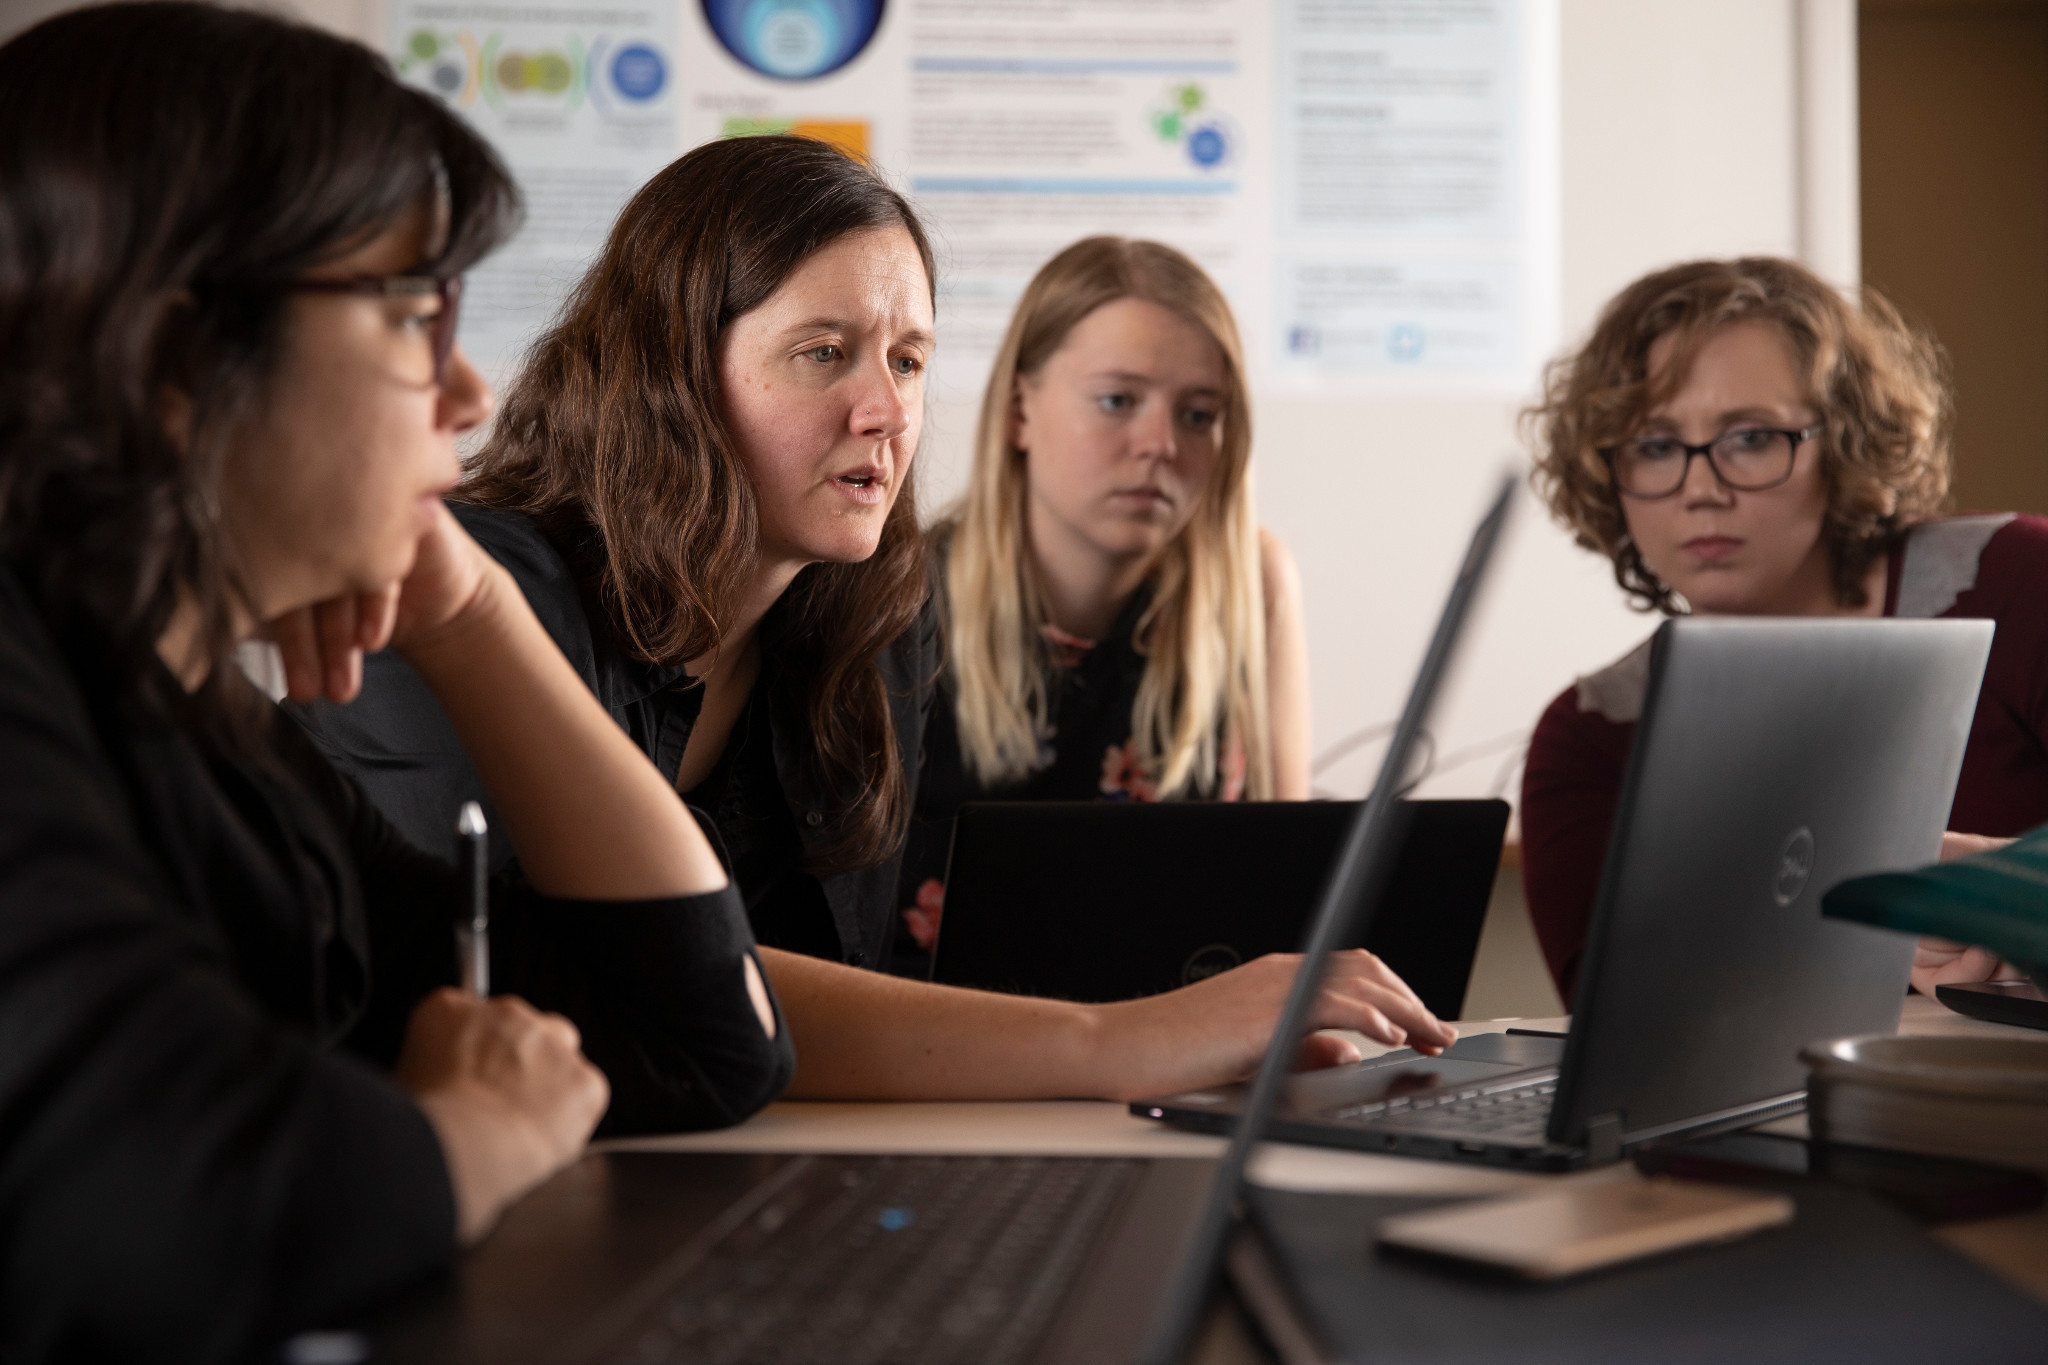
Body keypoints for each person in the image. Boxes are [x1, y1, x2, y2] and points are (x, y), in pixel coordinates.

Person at [306, 137, 1456, 1100]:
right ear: (670, 373)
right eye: (823, 354)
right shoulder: (466, 597)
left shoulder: (868, 622)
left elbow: (818, 1005)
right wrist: (1122, 1040)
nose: (886, 412)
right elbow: (587, 996)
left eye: (907, 361)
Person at [0, 7, 792, 1356]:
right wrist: (472, 1131)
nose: (470, 392)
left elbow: (702, 1039)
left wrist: (471, 613)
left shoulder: (204, 734)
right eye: (417, 318)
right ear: (179, 363)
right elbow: (169, 1205)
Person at [1521, 256, 2048, 1005]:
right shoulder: (1589, 737)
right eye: (1656, 447)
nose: (1701, 489)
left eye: (1750, 438)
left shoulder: (2021, 581)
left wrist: (2021, 898)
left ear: (1845, 441)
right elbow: (1624, 1037)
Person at [895, 237, 1312, 960]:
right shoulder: (897, 594)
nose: (1160, 444)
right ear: (1020, 411)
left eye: (1199, 415)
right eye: (1118, 400)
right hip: (949, 1029)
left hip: (1184, 1024)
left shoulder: (1252, 583)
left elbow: (1288, 894)